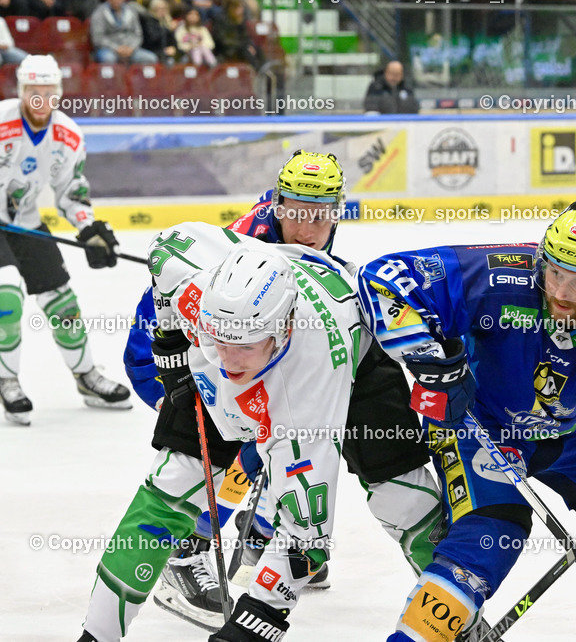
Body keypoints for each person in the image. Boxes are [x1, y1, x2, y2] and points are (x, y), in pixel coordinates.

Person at [114, 150, 441, 634]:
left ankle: (267, 539)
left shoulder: (309, 230)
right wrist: (169, 370)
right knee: (239, 449)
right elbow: (165, 309)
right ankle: (189, 550)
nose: (310, 226)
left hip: (240, 356)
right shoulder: (252, 243)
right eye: (299, 211)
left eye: (322, 213)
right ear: (277, 203)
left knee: (288, 441)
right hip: (174, 355)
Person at [360, 199, 576, 641]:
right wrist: (432, 362)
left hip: (573, 436)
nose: (563, 292)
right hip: (475, 419)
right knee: (491, 535)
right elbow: (381, 279)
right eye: (556, 273)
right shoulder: (498, 274)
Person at [78, 220, 363, 642]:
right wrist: (172, 341)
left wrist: (247, 628)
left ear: (282, 329)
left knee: (394, 492)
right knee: (166, 493)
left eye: (243, 345)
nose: (228, 358)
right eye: (219, 339)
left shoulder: (308, 393)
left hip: (317, 360)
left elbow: (308, 542)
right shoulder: (199, 296)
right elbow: (167, 248)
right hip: (244, 346)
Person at [0, 54, 130, 426]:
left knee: (63, 303)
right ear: (22, 91)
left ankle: (86, 376)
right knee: (6, 295)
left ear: (58, 93)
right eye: (32, 92)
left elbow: (72, 193)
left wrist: (89, 230)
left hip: (24, 223)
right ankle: (7, 379)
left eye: (48, 92)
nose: (40, 100)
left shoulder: (68, 135)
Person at [89, 0, 160, 64]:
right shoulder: (99, 13)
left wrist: (131, 48)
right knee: (109, 59)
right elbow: (98, 38)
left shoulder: (132, 11)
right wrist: (117, 48)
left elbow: (138, 34)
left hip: (131, 49)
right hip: (108, 49)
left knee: (151, 58)